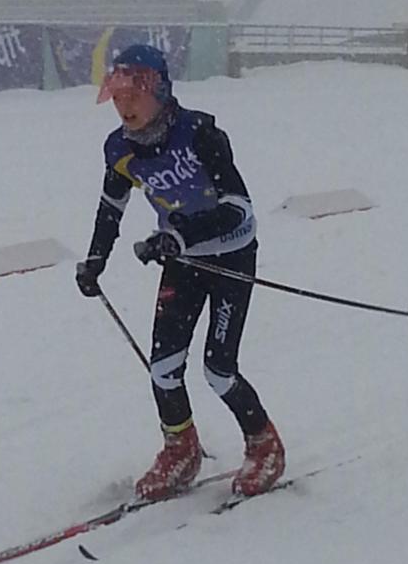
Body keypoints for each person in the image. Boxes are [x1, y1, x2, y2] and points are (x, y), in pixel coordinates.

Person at [75, 43, 284, 502]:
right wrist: (95, 260)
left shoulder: (200, 134)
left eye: (134, 95)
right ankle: (181, 449)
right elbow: (110, 207)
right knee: (164, 367)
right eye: (117, 97)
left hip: (230, 256)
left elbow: (238, 209)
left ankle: (263, 442)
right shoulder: (120, 149)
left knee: (219, 370)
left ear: (160, 92)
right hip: (182, 261)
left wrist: (179, 234)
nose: (124, 106)